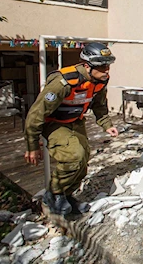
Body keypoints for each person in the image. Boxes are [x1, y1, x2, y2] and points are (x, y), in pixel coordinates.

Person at [24, 42, 119, 215]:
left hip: (76, 121)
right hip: (55, 123)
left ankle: (67, 196)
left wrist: (106, 124)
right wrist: (32, 145)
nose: (107, 70)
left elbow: (99, 105)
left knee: (83, 160)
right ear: (86, 65)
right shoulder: (63, 82)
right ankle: (54, 194)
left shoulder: (100, 80)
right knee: (74, 156)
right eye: (102, 66)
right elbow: (36, 114)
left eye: (108, 65)